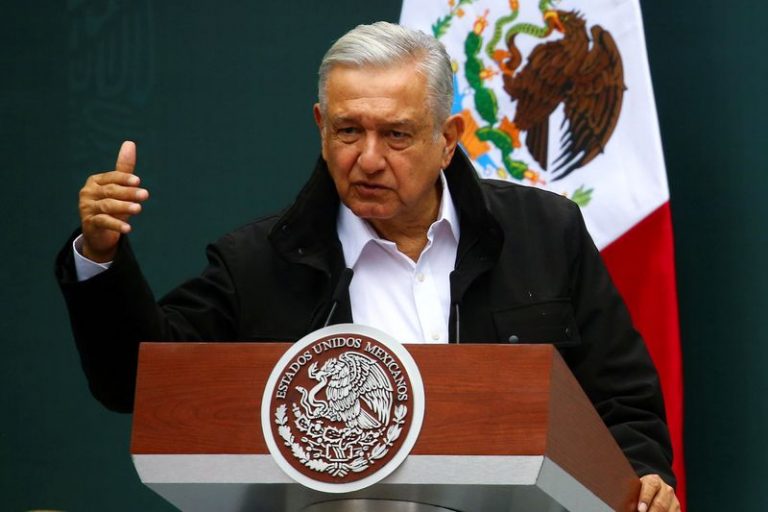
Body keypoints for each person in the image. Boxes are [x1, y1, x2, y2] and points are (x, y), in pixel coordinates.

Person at [56, 22, 679, 512]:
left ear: (449, 137)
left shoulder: (545, 232)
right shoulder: (259, 261)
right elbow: (137, 383)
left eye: (398, 135)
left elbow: (623, 401)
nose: (369, 159)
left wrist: (643, 477)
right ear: (320, 127)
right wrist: (101, 257)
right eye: (349, 131)